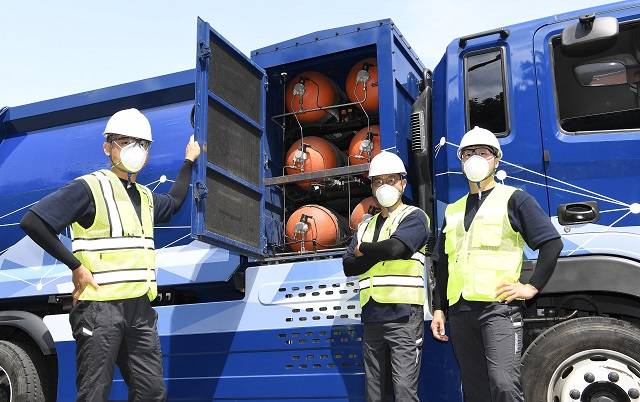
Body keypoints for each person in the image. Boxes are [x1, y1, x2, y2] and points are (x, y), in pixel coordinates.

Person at [20, 108, 200, 402]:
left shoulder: (145, 197)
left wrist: (189, 161)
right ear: (108, 146)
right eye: (126, 141)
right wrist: (76, 266)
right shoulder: (90, 187)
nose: (135, 150)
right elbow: (33, 221)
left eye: (141, 144)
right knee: (94, 393)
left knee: (151, 392)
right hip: (99, 309)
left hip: (139, 309)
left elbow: (176, 201)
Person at [430, 126, 563, 402]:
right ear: (461, 161)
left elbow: (551, 242)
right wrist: (439, 309)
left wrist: (531, 287)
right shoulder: (453, 210)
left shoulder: (514, 199)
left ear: (496, 159)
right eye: (468, 153)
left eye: (483, 152)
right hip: (460, 312)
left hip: (498, 309)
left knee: (503, 383)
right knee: (475, 389)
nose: (475, 158)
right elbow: (441, 263)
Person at [342, 151, 430, 402]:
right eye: (378, 181)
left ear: (402, 183)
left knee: (404, 390)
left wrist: (364, 250)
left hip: (403, 315)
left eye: (390, 180)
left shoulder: (413, 217)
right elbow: (349, 266)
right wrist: (380, 252)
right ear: (372, 186)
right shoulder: (365, 225)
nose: (384, 186)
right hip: (372, 316)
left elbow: (397, 249)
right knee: (374, 392)